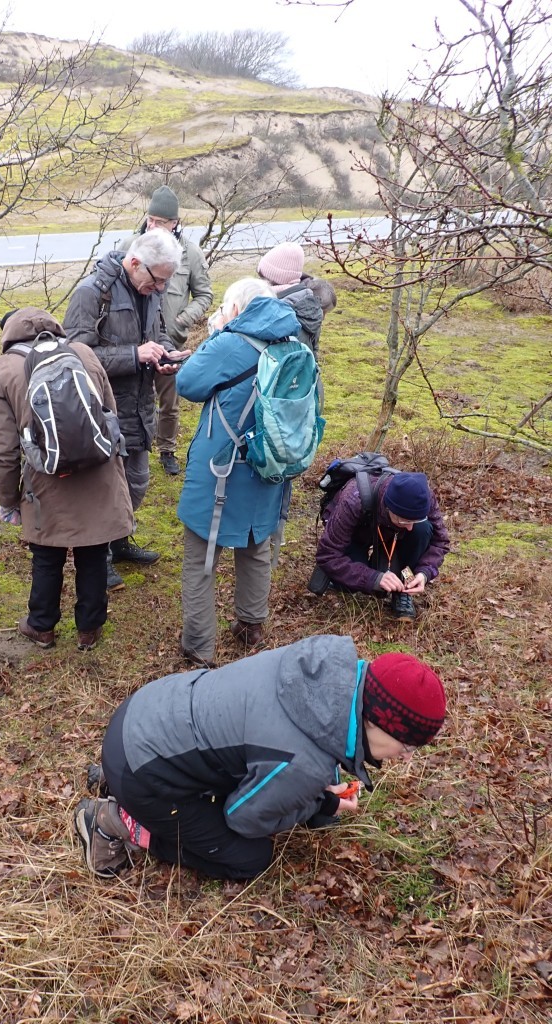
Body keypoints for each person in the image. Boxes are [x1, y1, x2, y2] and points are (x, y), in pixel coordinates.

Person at [73, 637, 446, 880]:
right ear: (380, 723)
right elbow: (244, 819)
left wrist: (317, 787)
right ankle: (113, 819)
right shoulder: (304, 764)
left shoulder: (323, 667)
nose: (405, 757)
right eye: (407, 745)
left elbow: (290, 736)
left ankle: (116, 780)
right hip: (142, 767)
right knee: (249, 858)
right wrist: (321, 803)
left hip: (145, 712)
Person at [0, 307, 133, 651]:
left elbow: (2, 449)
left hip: (46, 478)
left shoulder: (4, 369)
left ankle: (41, 626)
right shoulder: (82, 353)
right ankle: (89, 629)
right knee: (94, 552)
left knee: (47, 555)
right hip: (99, 472)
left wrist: (8, 500)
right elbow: (109, 415)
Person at [175, 278, 298, 668]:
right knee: (256, 546)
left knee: (201, 557)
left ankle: (198, 646)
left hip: (221, 469)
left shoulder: (230, 343)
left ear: (237, 309)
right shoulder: (294, 344)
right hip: (270, 466)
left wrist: (217, 336)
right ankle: (251, 625)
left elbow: (187, 383)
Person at [63, 228, 189, 589]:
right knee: (104, 491)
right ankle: (97, 559)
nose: (162, 289)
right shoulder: (91, 293)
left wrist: (164, 354)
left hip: (139, 408)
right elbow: (74, 354)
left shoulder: (149, 291)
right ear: (135, 263)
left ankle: (118, 543)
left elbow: (158, 334)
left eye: (166, 282)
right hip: (102, 412)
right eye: (158, 280)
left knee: (136, 483)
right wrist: (133, 356)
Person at [136, 186, 213, 476]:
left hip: (171, 342)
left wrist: (183, 319)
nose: (154, 227)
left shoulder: (190, 253)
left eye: (163, 222)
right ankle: (136, 449)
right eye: (151, 220)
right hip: (136, 344)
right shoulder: (131, 246)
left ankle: (167, 449)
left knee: (169, 404)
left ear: (175, 223)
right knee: (135, 401)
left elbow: (205, 294)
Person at [314, 471, 450, 620]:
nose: (410, 527)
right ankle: (340, 578)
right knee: (348, 584)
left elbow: (440, 541)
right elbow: (327, 555)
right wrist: (373, 578)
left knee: (421, 530)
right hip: (357, 534)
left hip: (391, 536)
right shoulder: (354, 499)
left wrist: (425, 572)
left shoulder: (423, 497)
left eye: (414, 520)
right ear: (388, 508)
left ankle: (403, 590)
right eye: (404, 521)